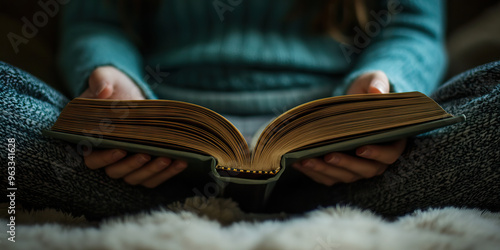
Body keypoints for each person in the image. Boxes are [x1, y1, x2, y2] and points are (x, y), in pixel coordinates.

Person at [0, 0, 498, 219]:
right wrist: (115, 80)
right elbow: (95, 20)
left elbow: (411, 24)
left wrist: (379, 94)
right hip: (154, 155)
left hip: (351, 159)